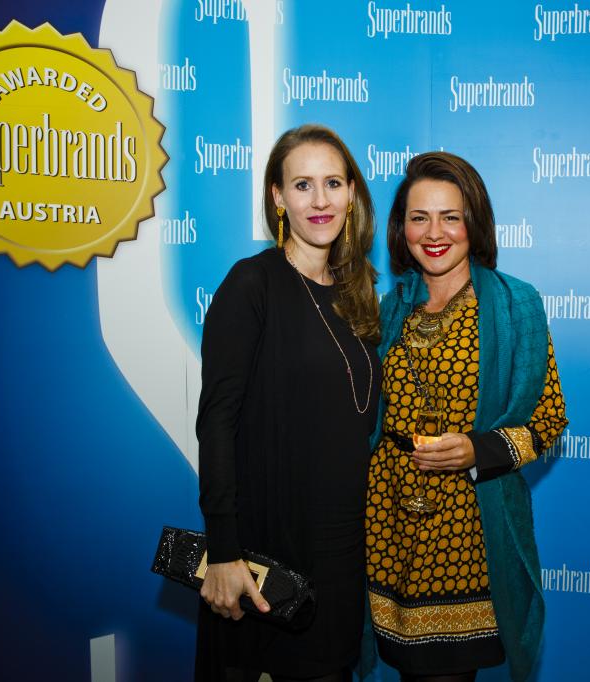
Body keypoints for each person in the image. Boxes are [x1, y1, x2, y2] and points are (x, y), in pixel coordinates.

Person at [365, 152, 567, 682]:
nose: (434, 233)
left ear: (473, 222)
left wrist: (481, 449)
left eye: (450, 217)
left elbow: (548, 418)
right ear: (401, 228)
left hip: (469, 537)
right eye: (419, 218)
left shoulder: (515, 305)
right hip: (389, 531)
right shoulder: (389, 309)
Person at [196, 124, 381, 682]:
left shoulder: (358, 294)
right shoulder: (252, 284)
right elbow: (217, 421)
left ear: (351, 193)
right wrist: (224, 552)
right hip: (269, 551)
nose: (320, 200)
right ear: (278, 198)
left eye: (332, 183)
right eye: (302, 185)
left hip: (342, 553)